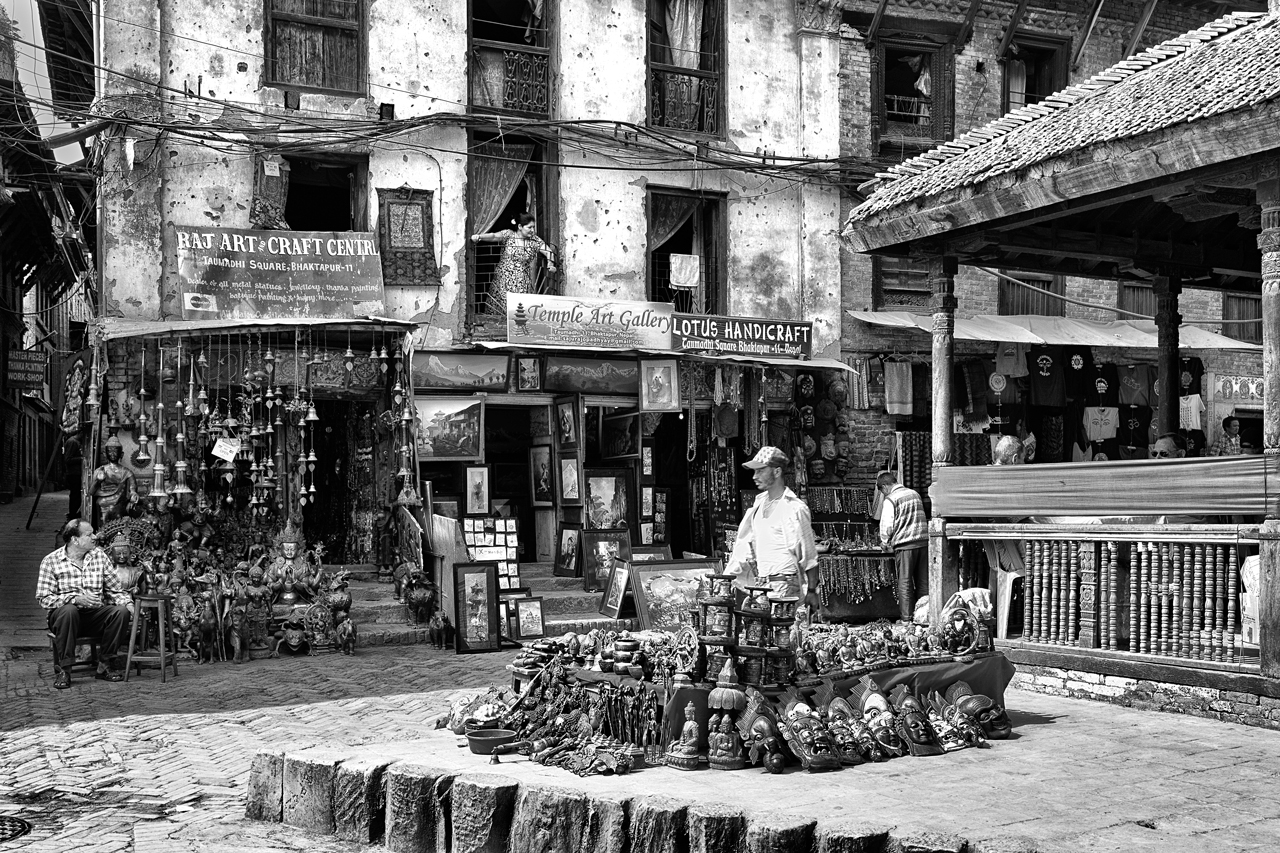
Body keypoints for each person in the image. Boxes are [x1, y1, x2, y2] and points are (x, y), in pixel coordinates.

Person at [37, 519, 134, 689]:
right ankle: (65, 670)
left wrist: (129, 605)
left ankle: (104, 665)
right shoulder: (51, 561)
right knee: (69, 611)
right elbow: (44, 598)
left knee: (120, 612)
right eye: (89, 534)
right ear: (75, 540)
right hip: (63, 618)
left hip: (94, 615)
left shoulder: (99, 556)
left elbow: (115, 591)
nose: (95, 537)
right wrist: (74, 599)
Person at [726, 446, 819, 612]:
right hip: (761, 585)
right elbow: (745, 546)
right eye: (754, 472)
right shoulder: (758, 505)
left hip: (785, 587)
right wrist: (727, 576)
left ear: (777, 472)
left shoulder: (795, 508)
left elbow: (809, 555)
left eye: (761, 471)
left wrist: (811, 590)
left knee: (783, 634)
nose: (755, 476)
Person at [470, 213, 557, 315]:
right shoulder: (509, 235)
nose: (533, 230)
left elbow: (549, 252)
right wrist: (479, 237)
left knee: (519, 312)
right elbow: (494, 236)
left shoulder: (535, 240)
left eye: (533, 227)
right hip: (502, 282)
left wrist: (550, 264)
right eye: (529, 227)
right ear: (520, 226)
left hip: (522, 282)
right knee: (500, 312)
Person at [877, 471, 929, 622]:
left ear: (885, 486)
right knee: (923, 583)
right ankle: (923, 618)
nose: (883, 493)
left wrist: (885, 542)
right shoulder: (915, 494)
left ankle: (907, 619)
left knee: (905, 583)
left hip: (906, 545)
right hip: (923, 542)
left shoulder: (891, 499)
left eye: (882, 490)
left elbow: (886, 526)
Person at [88, 435, 136, 526]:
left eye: (115, 451)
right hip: (102, 503)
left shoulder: (126, 472)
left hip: (119, 503)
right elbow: (91, 492)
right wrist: (98, 480)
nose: (113, 453)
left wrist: (133, 494)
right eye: (110, 451)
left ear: (121, 454)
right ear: (105, 454)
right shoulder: (100, 471)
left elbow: (132, 488)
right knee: (103, 526)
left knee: (118, 524)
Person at [64, 436, 84, 521]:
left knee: (77, 495)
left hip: (77, 473)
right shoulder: (73, 442)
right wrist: (82, 459)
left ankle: (74, 514)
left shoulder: (77, 442)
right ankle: (73, 515)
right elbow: (68, 459)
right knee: (75, 495)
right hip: (74, 473)